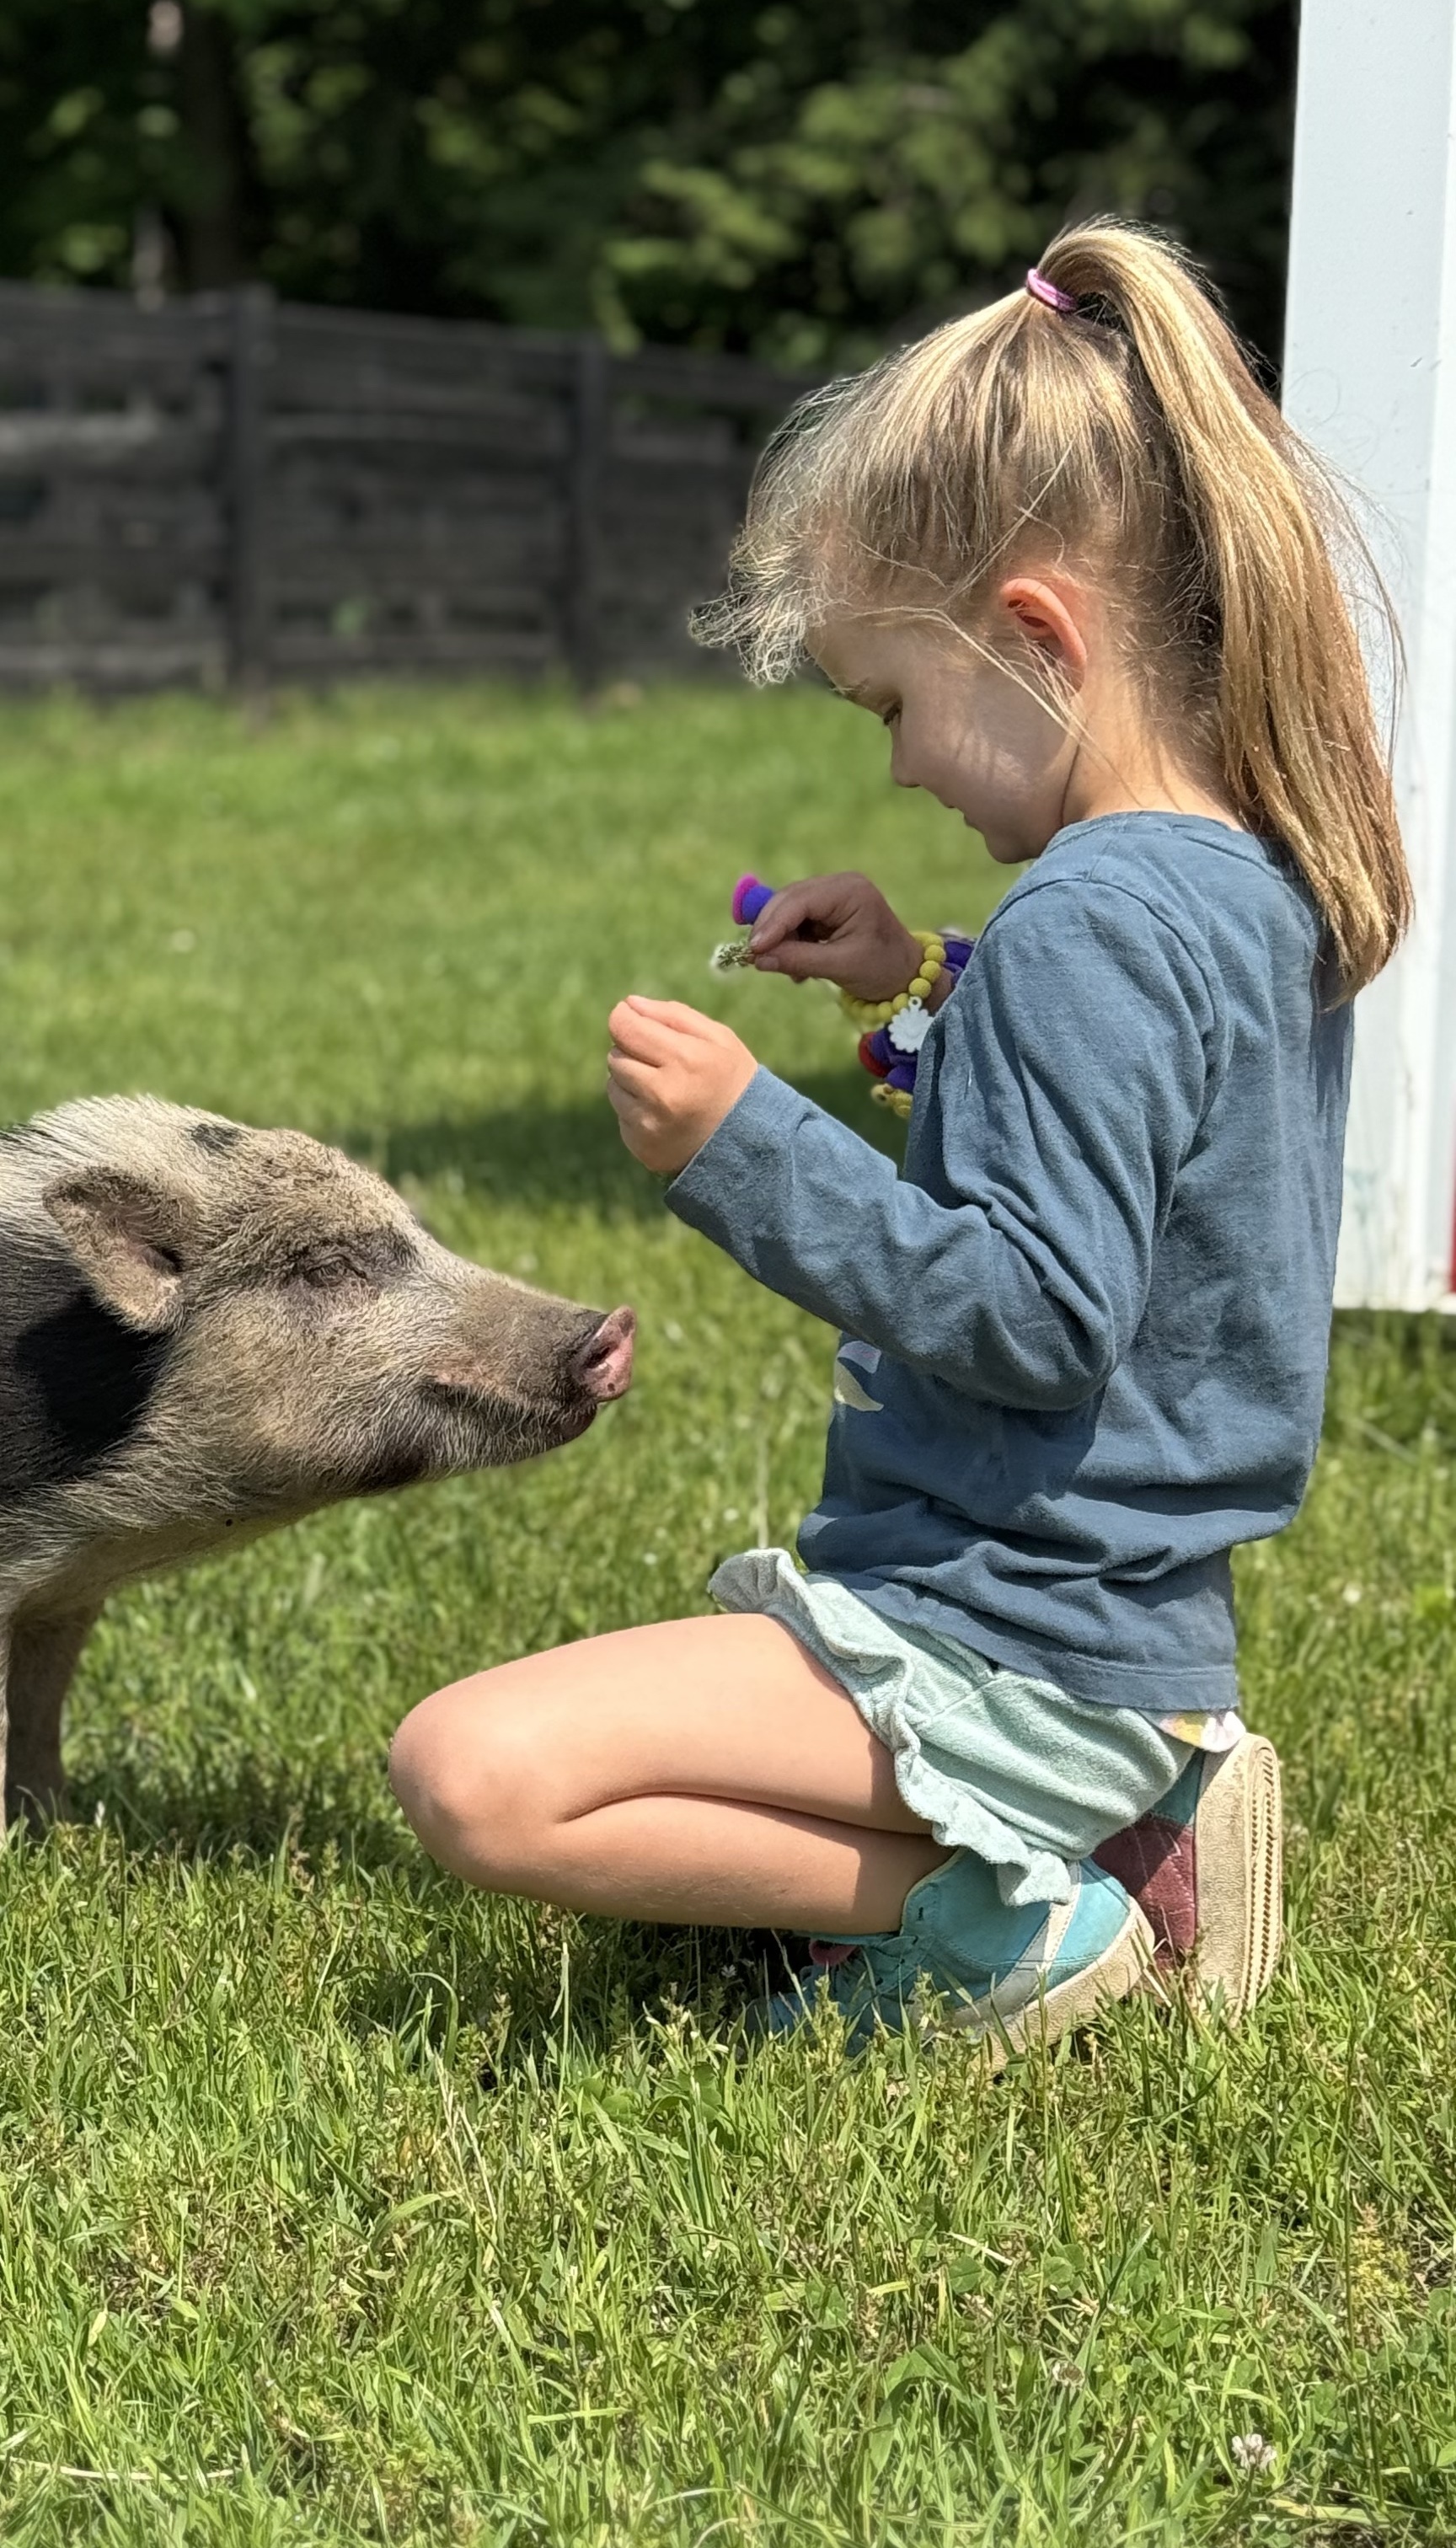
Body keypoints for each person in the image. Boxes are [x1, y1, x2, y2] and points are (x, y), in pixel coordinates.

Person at [388, 220, 1410, 2057]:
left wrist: (738, 1148)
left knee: (475, 1774)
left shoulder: (1089, 927)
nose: (902, 768)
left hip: (998, 1635)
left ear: (1036, 635)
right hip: (1130, 1630)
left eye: (893, 703)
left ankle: (1023, 1918)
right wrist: (930, 979)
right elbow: (1149, 1161)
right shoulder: (1239, 885)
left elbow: (1037, 1313)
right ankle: (1131, 1822)